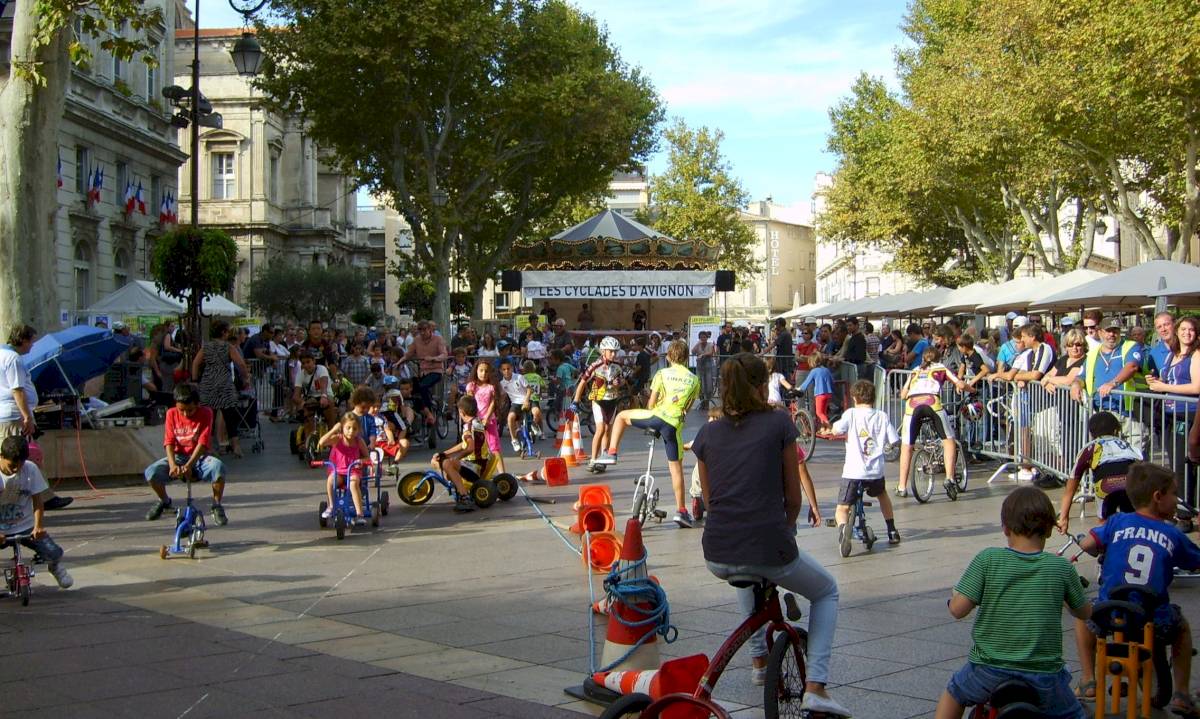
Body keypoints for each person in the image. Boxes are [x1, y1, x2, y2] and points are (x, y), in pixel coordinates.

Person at [691, 353, 847, 717]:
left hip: (716, 550)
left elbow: (712, 501)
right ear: (763, 387)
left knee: (748, 574)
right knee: (826, 591)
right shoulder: (779, 423)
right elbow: (793, 497)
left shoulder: (707, 433)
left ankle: (759, 661)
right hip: (767, 541)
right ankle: (817, 686)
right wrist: (785, 529)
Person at [934, 486, 1089, 719]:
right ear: (1049, 529)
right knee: (1076, 714)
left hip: (988, 671)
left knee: (954, 692)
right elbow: (1084, 613)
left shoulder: (988, 559)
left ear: (1005, 527)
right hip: (1044, 676)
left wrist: (952, 600)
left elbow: (958, 610)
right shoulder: (1061, 568)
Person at [1070, 463, 1200, 713]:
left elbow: (1087, 544)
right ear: (1158, 497)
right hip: (1153, 617)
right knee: (1181, 627)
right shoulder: (1171, 534)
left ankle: (1088, 679)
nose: (1177, 500)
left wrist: (1103, 550)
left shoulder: (1117, 521)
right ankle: (1182, 693)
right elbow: (1195, 561)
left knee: (1082, 613)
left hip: (1110, 613)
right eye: (1174, 494)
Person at [595, 340, 700, 527]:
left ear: (668, 356)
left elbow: (651, 403)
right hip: (673, 425)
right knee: (676, 469)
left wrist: (655, 410)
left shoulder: (662, 373)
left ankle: (611, 453)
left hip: (655, 417)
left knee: (621, 417)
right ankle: (681, 511)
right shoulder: (694, 379)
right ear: (685, 358)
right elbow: (688, 407)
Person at [0, 325, 71, 510]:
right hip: (14, 415)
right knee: (21, 456)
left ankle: (44, 496)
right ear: (22, 340)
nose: (32, 346)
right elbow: (17, 390)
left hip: (7, 415)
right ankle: (40, 498)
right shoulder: (12, 358)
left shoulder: (2, 354)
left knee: (27, 456)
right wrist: (26, 417)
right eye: (31, 341)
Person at [143, 383, 228, 526]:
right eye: (181, 410)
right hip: (178, 456)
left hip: (199, 457)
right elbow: (169, 441)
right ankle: (164, 501)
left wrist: (189, 465)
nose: (185, 414)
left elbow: (203, 442)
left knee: (218, 467)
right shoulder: (171, 413)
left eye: (190, 410)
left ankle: (216, 504)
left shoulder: (206, 412)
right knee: (151, 472)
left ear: (197, 404)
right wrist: (172, 465)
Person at [831, 380, 901, 549]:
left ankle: (842, 529)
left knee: (842, 507)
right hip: (875, 472)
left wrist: (833, 429)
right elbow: (894, 440)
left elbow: (837, 430)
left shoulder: (851, 414)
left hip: (853, 472)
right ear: (874, 398)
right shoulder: (881, 416)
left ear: (854, 398)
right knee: (882, 495)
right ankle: (891, 530)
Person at [0, 435, 73, 589]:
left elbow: (38, 501)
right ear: (1, 456)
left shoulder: (30, 469)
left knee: (53, 551)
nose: (16, 470)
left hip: (25, 525)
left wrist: (38, 526)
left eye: (20, 465)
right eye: (11, 465)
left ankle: (54, 567)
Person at [1070, 316, 1147, 457]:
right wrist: (1076, 385)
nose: (1112, 335)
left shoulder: (1130, 346)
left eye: (1115, 331)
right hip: (1102, 413)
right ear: (1100, 332)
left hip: (1128, 413)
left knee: (1134, 456)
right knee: (1107, 457)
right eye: (1108, 331)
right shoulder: (1093, 354)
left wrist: (1113, 383)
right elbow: (1081, 376)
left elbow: (1132, 367)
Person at [1055, 411, 1141, 536]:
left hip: (1106, 485)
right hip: (1131, 482)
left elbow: (1071, 486)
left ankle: (1104, 547)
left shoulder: (1090, 447)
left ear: (1091, 433)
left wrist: (1064, 518)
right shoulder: (1127, 445)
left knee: (1104, 522)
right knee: (1133, 520)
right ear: (1117, 430)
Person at [896, 347, 967, 497]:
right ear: (939, 358)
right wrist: (971, 390)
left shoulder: (915, 370)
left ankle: (901, 486)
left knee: (907, 446)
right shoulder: (940, 368)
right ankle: (949, 478)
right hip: (932, 402)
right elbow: (959, 384)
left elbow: (903, 395)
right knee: (949, 441)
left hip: (912, 406)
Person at [1146, 315, 1200, 503]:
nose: (1187, 333)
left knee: (1183, 463)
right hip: (1170, 414)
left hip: (1188, 413)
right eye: (1183, 329)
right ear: (1177, 332)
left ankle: (1186, 509)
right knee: (1174, 462)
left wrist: (1165, 388)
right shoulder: (1172, 354)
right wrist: (1157, 383)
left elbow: (1197, 387)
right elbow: (1172, 381)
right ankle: (1181, 504)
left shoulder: (1196, 355)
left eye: (1191, 330)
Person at [191, 320, 249, 458]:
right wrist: (246, 378)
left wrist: (194, 380)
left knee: (208, 417)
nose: (229, 333)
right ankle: (235, 447)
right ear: (223, 332)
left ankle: (208, 447)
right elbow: (240, 364)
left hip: (208, 383)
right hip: (224, 383)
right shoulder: (228, 347)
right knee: (230, 416)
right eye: (228, 331)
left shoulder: (206, 347)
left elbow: (195, 363)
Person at [434, 396, 488, 513]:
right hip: (480, 463)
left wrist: (456, 458)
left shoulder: (468, 427)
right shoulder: (477, 422)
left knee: (447, 464)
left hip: (475, 467)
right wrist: (445, 453)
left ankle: (464, 496)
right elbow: (464, 444)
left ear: (461, 412)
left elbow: (469, 448)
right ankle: (457, 486)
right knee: (446, 460)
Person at [318, 412, 370, 525]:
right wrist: (333, 430)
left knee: (353, 483)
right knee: (331, 480)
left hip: (352, 471)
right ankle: (331, 506)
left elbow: (367, 457)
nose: (351, 431)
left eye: (354, 428)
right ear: (342, 428)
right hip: (338, 471)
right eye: (348, 428)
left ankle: (359, 514)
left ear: (358, 430)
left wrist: (362, 460)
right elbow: (321, 442)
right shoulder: (337, 439)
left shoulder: (359, 441)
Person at [400, 320, 449, 428]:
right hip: (422, 372)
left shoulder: (438, 339)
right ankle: (423, 414)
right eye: (420, 330)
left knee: (423, 386)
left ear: (430, 330)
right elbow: (408, 354)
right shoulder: (416, 340)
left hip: (436, 370)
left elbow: (444, 355)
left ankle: (430, 413)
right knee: (412, 392)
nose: (422, 333)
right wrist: (398, 362)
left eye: (424, 330)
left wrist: (434, 358)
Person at [466, 360, 505, 474]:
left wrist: (487, 418)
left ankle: (502, 474)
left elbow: (493, 404)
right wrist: (473, 420)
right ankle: (476, 473)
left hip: (489, 420)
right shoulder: (472, 386)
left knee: (494, 447)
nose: (483, 373)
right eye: (481, 370)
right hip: (474, 421)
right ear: (476, 371)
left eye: (486, 371)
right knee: (475, 449)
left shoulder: (491, 387)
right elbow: (469, 403)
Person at [797, 352, 835, 434]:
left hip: (819, 394)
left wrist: (799, 389)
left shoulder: (814, 371)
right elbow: (832, 381)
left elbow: (806, 383)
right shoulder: (826, 369)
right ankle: (823, 428)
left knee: (819, 412)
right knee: (823, 412)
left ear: (812, 362)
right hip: (828, 393)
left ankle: (829, 427)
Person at [499, 358, 531, 453]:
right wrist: (500, 405)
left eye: (508, 368)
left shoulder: (519, 377)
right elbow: (503, 396)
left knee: (533, 412)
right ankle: (514, 440)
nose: (507, 371)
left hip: (525, 400)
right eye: (504, 369)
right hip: (515, 403)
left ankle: (533, 424)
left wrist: (526, 400)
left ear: (512, 368)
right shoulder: (502, 383)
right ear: (501, 371)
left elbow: (529, 389)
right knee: (510, 417)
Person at [691, 330, 718, 409]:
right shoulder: (698, 344)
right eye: (701, 337)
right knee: (700, 385)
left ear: (707, 337)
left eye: (704, 337)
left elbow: (710, 353)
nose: (703, 338)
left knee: (708, 386)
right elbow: (692, 352)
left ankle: (707, 403)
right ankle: (702, 402)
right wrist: (698, 343)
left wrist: (702, 355)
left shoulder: (710, 344)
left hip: (708, 368)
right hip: (700, 368)